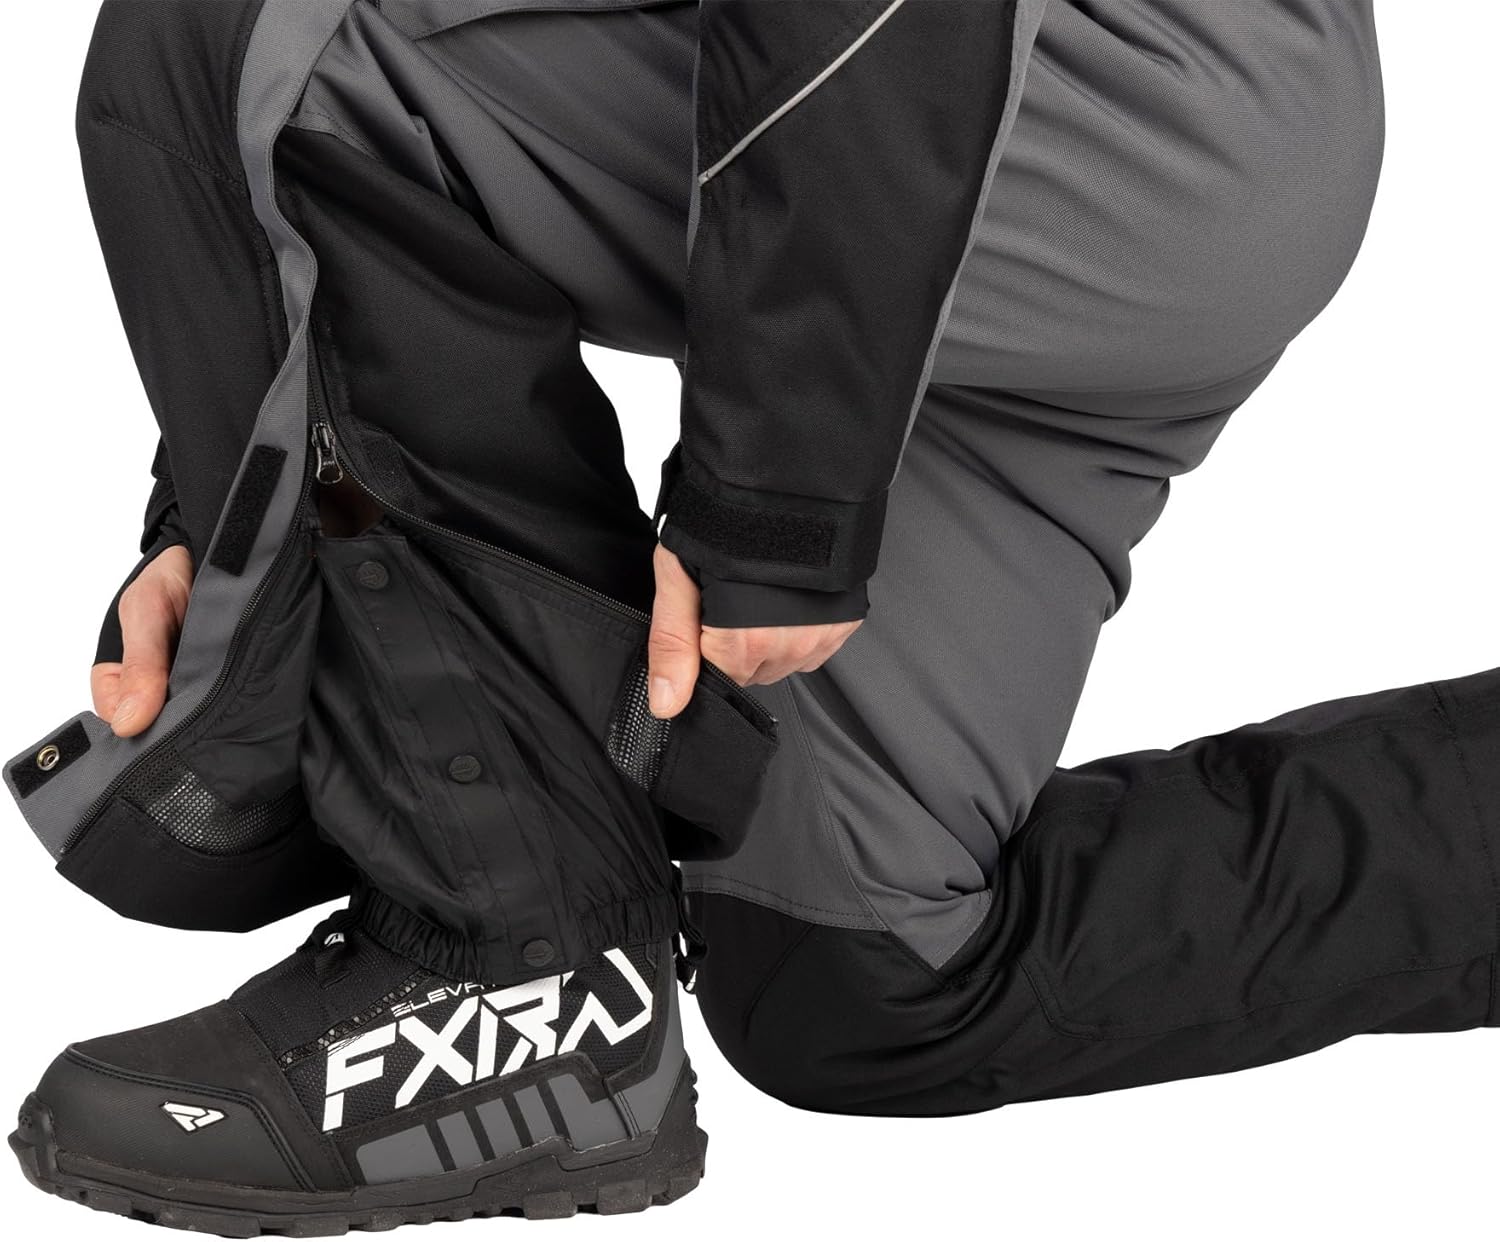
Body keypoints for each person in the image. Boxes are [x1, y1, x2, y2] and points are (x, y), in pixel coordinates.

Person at [6, 0, 1495, 1232]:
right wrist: (223, 504)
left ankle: (520, 959)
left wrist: (782, 496)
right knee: (849, 958)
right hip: (1150, 156)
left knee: (264, 39)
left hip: (1074, 97)